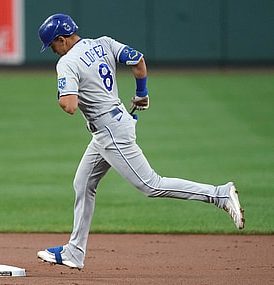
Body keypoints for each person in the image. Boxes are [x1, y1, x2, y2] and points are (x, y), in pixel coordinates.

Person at [36, 13, 245, 270]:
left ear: (61, 39)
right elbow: (138, 60)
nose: (53, 51)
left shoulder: (67, 63)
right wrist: (141, 92)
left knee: (151, 185)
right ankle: (74, 252)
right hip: (114, 123)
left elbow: (69, 106)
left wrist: (62, 91)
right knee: (83, 183)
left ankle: (219, 194)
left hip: (110, 132)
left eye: (53, 46)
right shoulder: (103, 42)